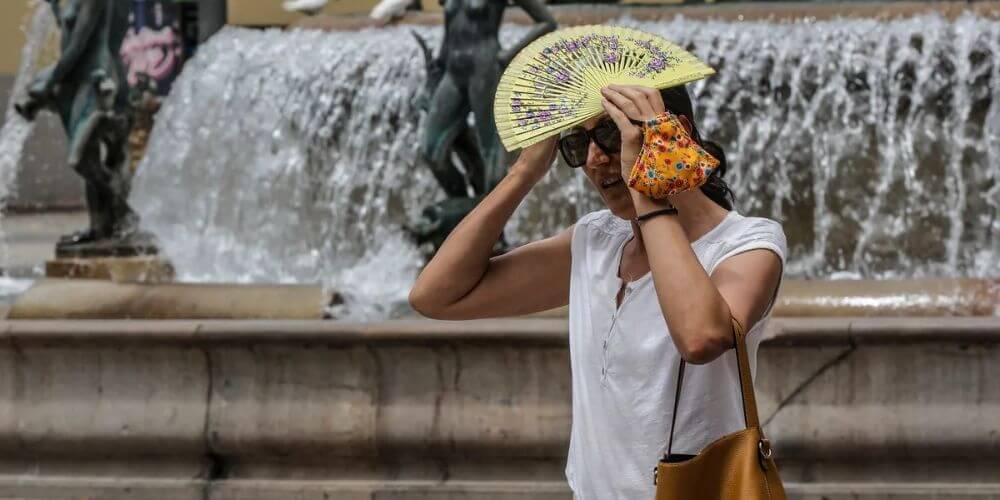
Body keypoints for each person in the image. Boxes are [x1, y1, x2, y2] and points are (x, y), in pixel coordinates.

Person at [408, 83, 787, 499]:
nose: (595, 158)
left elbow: (700, 338)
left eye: (610, 134)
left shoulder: (748, 244)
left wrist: (648, 186)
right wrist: (523, 173)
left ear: (675, 132)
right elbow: (435, 297)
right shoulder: (597, 241)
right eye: (576, 143)